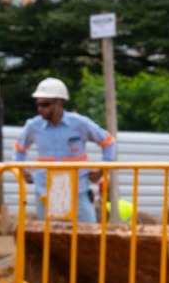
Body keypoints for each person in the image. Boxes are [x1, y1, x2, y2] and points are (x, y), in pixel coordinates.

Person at [15, 78, 117, 224]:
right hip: (45, 191)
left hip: (77, 190)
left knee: (87, 236)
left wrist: (102, 170)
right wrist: (21, 170)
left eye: (45, 104)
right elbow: (18, 149)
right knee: (47, 240)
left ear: (60, 103)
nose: (40, 108)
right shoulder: (33, 126)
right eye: (38, 104)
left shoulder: (80, 124)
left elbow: (109, 142)